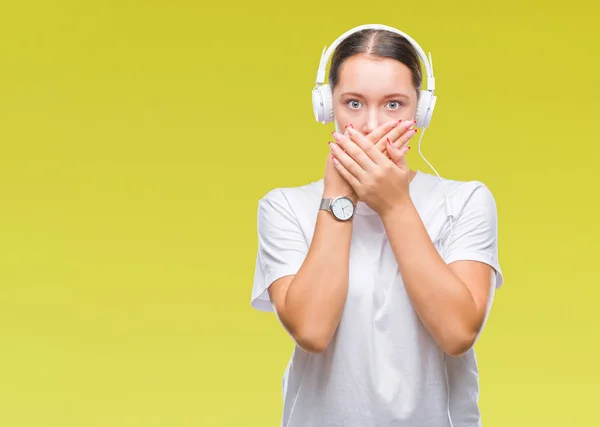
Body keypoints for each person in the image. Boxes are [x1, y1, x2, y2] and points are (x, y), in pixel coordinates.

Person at [250, 23, 504, 427]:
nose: (371, 126)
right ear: (326, 106)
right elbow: (312, 331)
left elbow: (458, 333)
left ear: (420, 111)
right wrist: (339, 198)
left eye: (393, 105)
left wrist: (395, 205)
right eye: (353, 103)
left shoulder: (466, 201)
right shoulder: (285, 207)